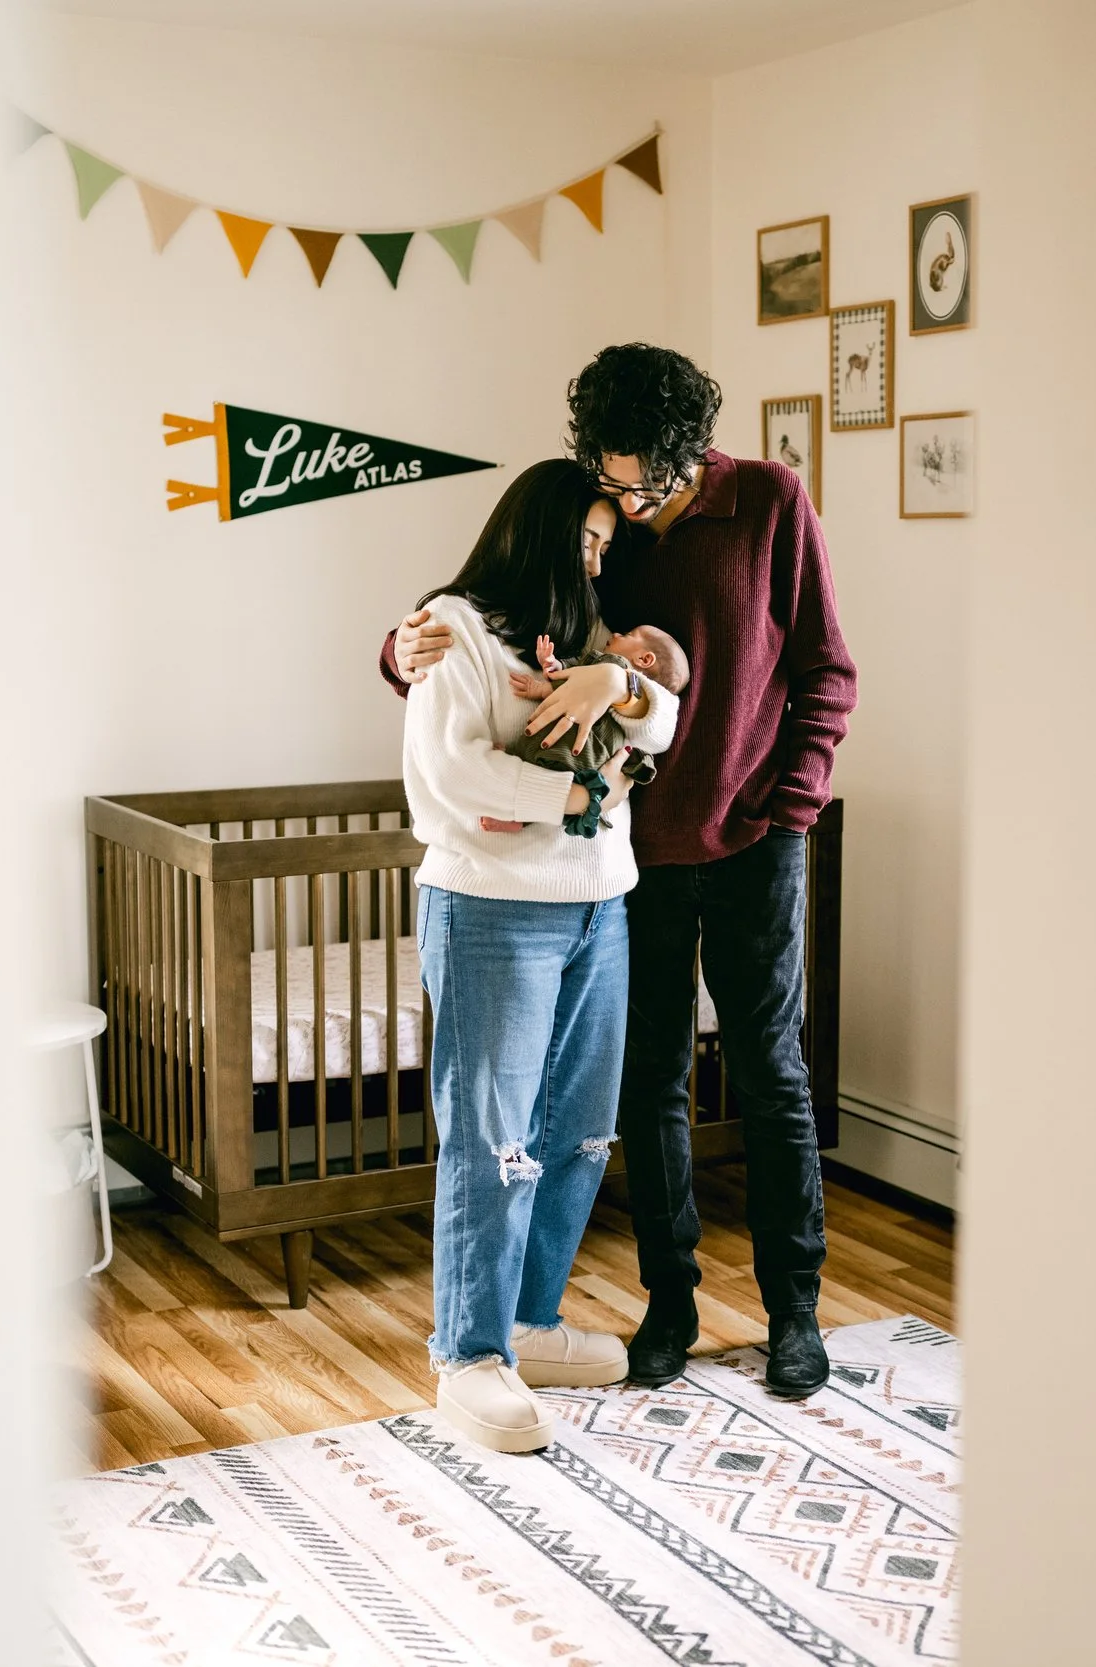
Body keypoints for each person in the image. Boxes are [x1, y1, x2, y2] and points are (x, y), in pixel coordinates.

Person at [384, 343, 857, 1399]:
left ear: (693, 453)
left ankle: (794, 1311)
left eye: (647, 481)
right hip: (628, 859)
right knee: (647, 1091)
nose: (629, 505)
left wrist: (791, 805)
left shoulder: (771, 504)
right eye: (614, 481)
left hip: (751, 844)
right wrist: (400, 643)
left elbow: (826, 668)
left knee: (770, 1073)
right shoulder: (603, 522)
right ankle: (669, 1304)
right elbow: (508, 607)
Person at [400, 458, 680, 1454]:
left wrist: (624, 686)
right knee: (489, 1134)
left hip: (600, 903)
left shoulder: (592, 641)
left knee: (576, 1130)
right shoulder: (453, 627)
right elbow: (449, 768)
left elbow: (663, 719)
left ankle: (528, 1314)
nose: (596, 564)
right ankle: (466, 1350)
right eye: (586, 544)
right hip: (489, 905)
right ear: (539, 532)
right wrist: (577, 795)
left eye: (605, 551)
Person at [479, 623, 690, 837]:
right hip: (596, 762)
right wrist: (554, 666)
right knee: (563, 784)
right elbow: (577, 677)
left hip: (576, 744)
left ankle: (515, 785)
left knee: (544, 756)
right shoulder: (620, 684)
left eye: (627, 634)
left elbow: (575, 686)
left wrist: (541, 688)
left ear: (645, 659)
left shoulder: (615, 664)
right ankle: (522, 820)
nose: (615, 634)